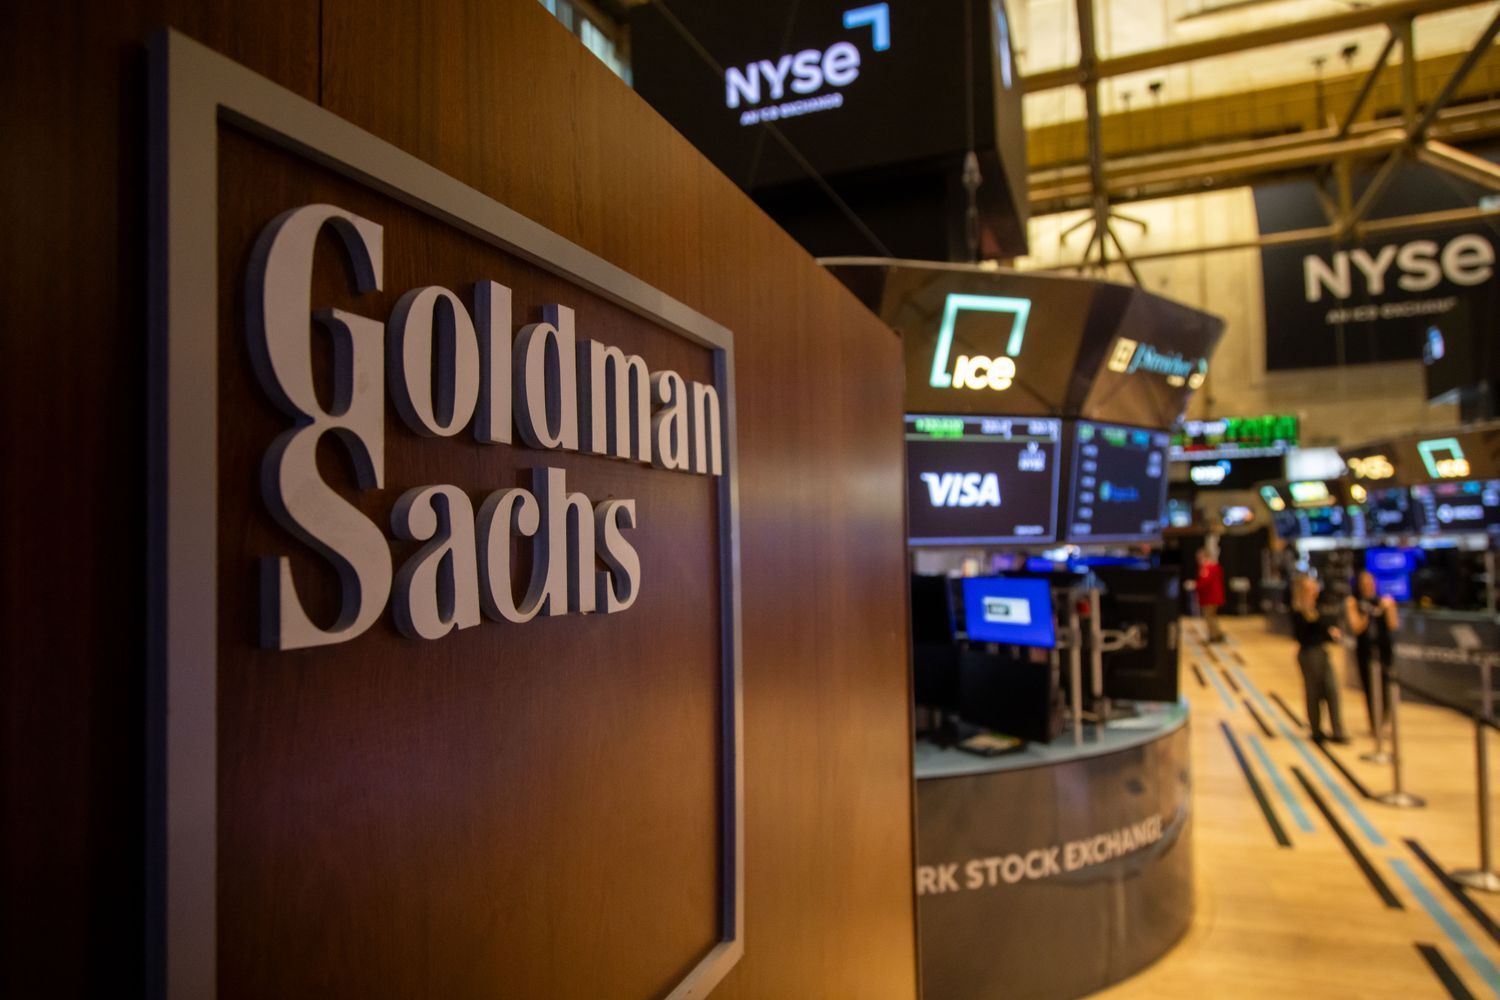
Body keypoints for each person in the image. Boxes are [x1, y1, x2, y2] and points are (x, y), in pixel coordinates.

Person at [1292, 575, 1349, 743]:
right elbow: (1305, 635)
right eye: (1310, 588)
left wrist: (1329, 632)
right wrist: (1324, 630)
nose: (1314, 591)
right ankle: (1316, 730)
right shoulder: (1299, 611)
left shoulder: (1319, 608)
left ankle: (1337, 730)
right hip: (1309, 654)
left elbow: (1328, 631)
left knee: (1332, 690)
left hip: (1321, 651)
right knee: (1313, 692)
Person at [1346, 570, 1398, 735]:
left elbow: (1393, 625)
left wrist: (1388, 608)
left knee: (1386, 687)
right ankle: (1375, 724)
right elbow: (1356, 627)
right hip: (1365, 651)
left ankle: (1384, 721)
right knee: (1369, 687)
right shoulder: (1354, 602)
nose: (1368, 585)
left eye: (1370, 581)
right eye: (1364, 582)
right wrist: (1369, 612)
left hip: (1383, 651)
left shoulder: (1384, 600)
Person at [1196, 547, 1226, 643]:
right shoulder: (1215, 566)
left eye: (1200, 558)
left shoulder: (1207, 568)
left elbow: (1205, 582)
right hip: (1216, 596)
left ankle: (1214, 636)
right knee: (1212, 616)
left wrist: (1195, 585)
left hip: (1210, 597)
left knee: (1209, 617)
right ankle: (1217, 634)